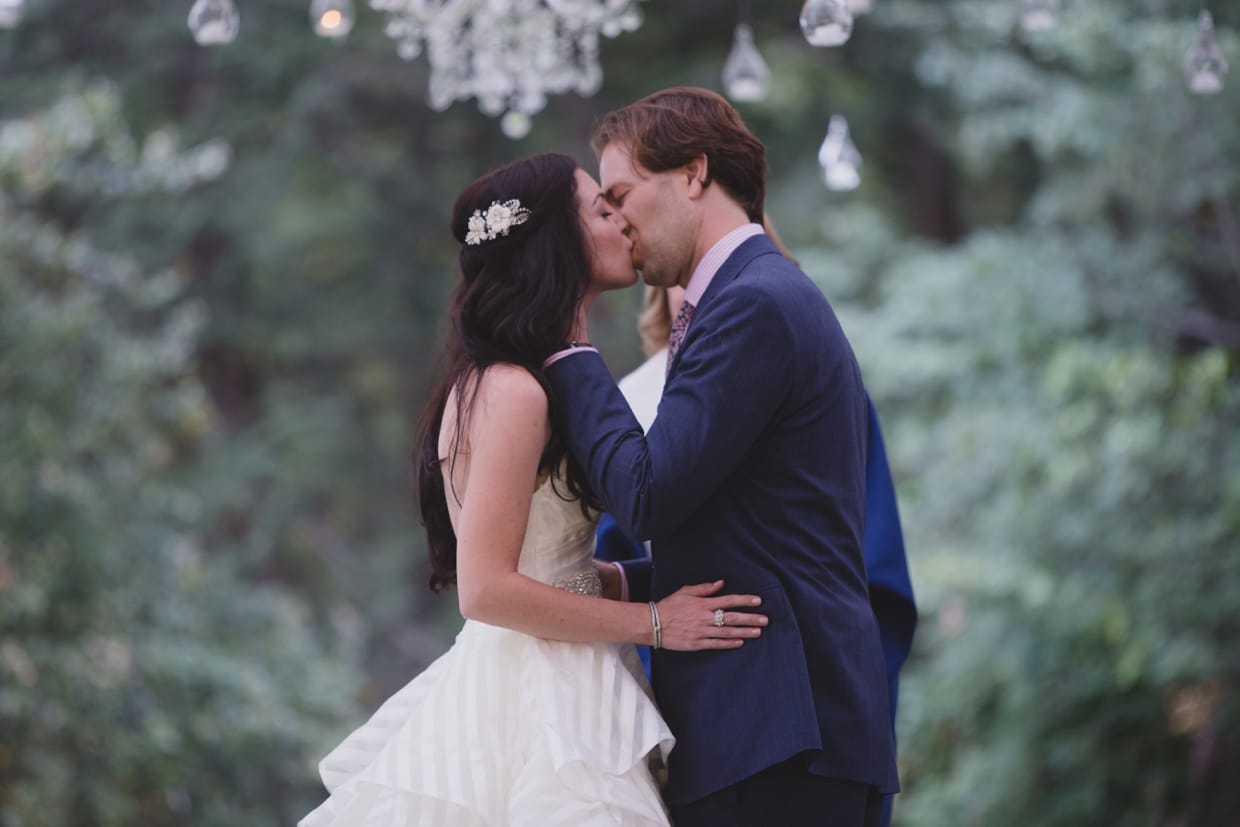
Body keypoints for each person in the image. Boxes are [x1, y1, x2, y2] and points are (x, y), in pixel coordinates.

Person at [299, 152, 769, 827]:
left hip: (562, 667)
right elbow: (486, 589)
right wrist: (658, 624)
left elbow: (548, 561)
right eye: (601, 209)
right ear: (558, 241)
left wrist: (621, 581)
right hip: (536, 694)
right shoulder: (513, 391)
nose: (622, 220)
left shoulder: (526, 381)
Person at [544, 88, 899, 826]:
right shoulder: (750, 298)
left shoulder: (752, 304)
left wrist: (571, 348)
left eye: (622, 194)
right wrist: (612, 580)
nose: (615, 221)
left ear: (695, 173)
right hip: (776, 730)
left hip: (781, 734)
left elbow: (645, 495)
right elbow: (758, 533)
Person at [597, 277, 917, 827]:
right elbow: (612, 557)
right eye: (681, 282)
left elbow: (868, 556)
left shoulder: (821, 383)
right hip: (680, 704)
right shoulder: (628, 406)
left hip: (817, 706)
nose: (696, 295)